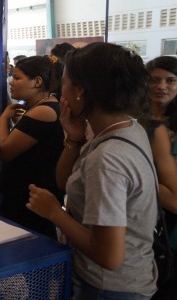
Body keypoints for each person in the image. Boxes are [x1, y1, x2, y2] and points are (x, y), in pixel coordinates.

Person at [27, 42, 157, 299]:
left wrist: (53, 212)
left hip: (109, 287)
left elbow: (109, 256)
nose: (60, 91)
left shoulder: (108, 158)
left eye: (64, 82)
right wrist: (73, 139)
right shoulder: (127, 127)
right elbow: (65, 182)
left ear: (80, 91)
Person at [0, 55, 64, 239]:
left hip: (30, 199)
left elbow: (5, 151)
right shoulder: (41, 107)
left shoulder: (43, 111)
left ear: (37, 82)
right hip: (28, 196)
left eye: (17, 78)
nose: (11, 82)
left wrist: (3, 119)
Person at [144, 55, 177, 300]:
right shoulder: (131, 119)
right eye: (154, 80)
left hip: (169, 228)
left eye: (170, 80)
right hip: (139, 220)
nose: (161, 86)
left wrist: (135, 174)